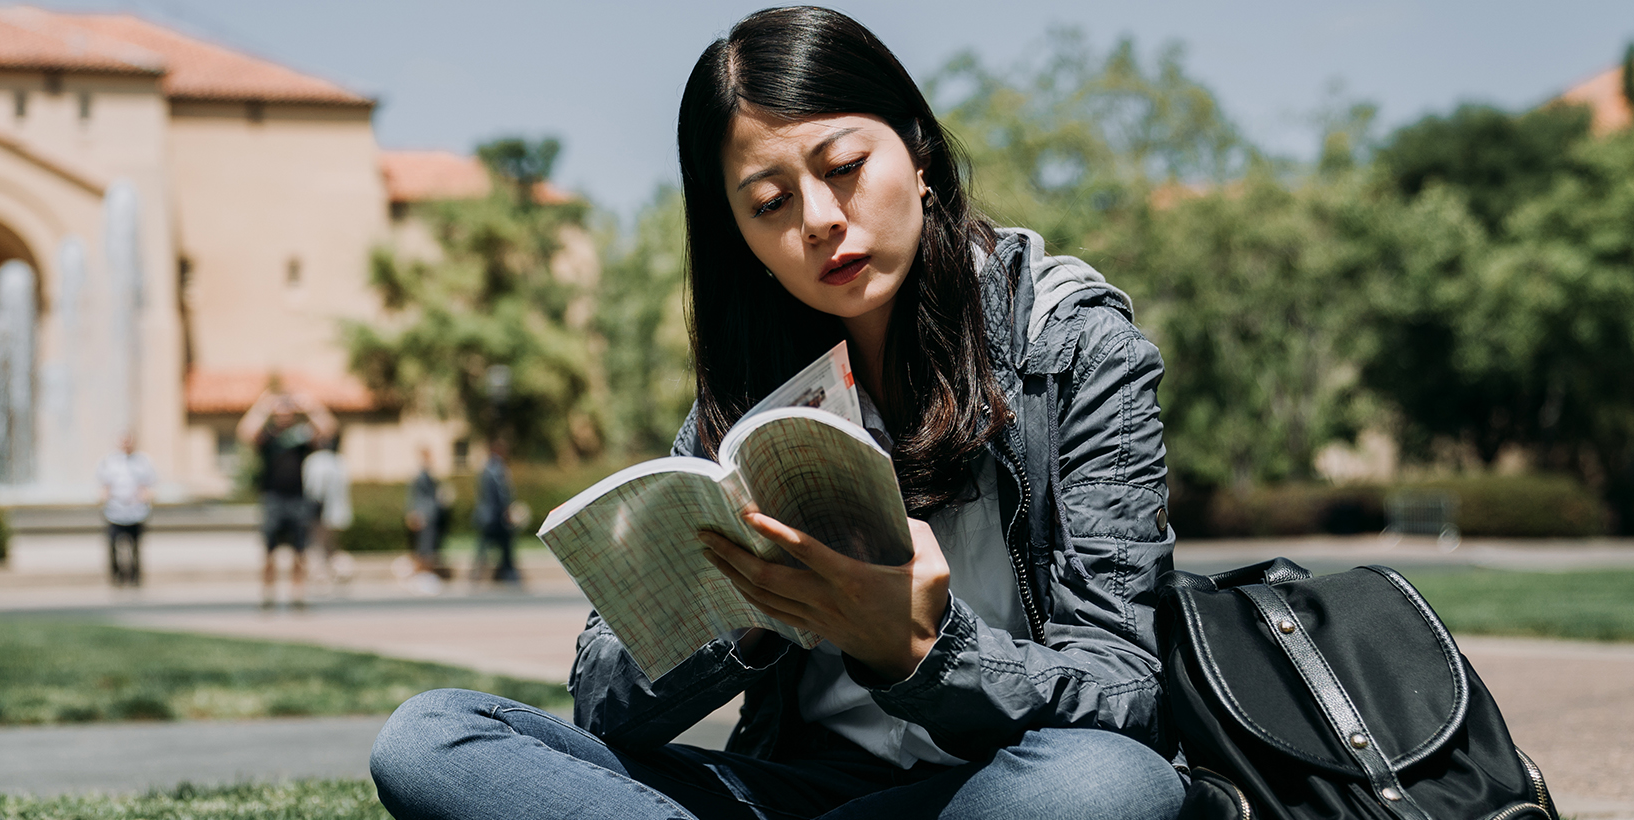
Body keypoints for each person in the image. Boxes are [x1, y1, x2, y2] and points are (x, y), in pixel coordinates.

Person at [370, 8, 1183, 820]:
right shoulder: (743, 403)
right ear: (740, 237)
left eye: (845, 166)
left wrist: (918, 650)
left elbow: (1124, 690)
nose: (820, 219)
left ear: (920, 154)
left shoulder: (1074, 349)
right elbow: (604, 704)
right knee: (431, 736)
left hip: (999, 785)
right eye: (770, 202)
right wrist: (750, 607)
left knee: (1111, 784)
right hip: (804, 787)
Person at [237, 389, 336, 609]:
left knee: (299, 551)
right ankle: (268, 596)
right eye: (280, 412)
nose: (284, 415)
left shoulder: (301, 436)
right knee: (269, 551)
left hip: (298, 499)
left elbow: (329, 430)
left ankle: (297, 596)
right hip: (273, 498)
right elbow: (244, 432)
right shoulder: (268, 437)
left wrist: (311, 406)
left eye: (287, 411)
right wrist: (262, 406)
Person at [96, 432, 154, 587]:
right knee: (113, 544)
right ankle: (117, 575)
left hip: (136, 511)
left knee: (135, 546)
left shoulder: (143, 461)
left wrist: (144, 498)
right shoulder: (109, 461)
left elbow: (148, 485)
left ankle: (135, 576)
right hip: (115, 510)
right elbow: (104, 485)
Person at [302, 432, 354, 587]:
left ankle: (324, 573)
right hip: (337, 511)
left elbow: (314, 489)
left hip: (320, 511)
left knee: (319, 544)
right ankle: (338, 570)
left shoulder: (315, 461)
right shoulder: (339, 460)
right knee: (331, 543)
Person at [471, 437, 518, 585]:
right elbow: (502, 493)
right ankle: (509, 573)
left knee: (486, 545)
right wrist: (507, 510)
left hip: (486, 514)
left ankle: (477, 572)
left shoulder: (485, 468)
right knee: (504, 543)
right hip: (496, 515)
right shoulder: (498, 468)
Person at [404, 446, 451, 585]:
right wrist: (413, 513)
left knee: (427, 546)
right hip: (424, 515)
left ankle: (425, 574)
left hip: (430, 514)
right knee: (424, 547)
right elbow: (414, 496)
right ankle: (423, 574)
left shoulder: (428, 474)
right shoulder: (421, 475)